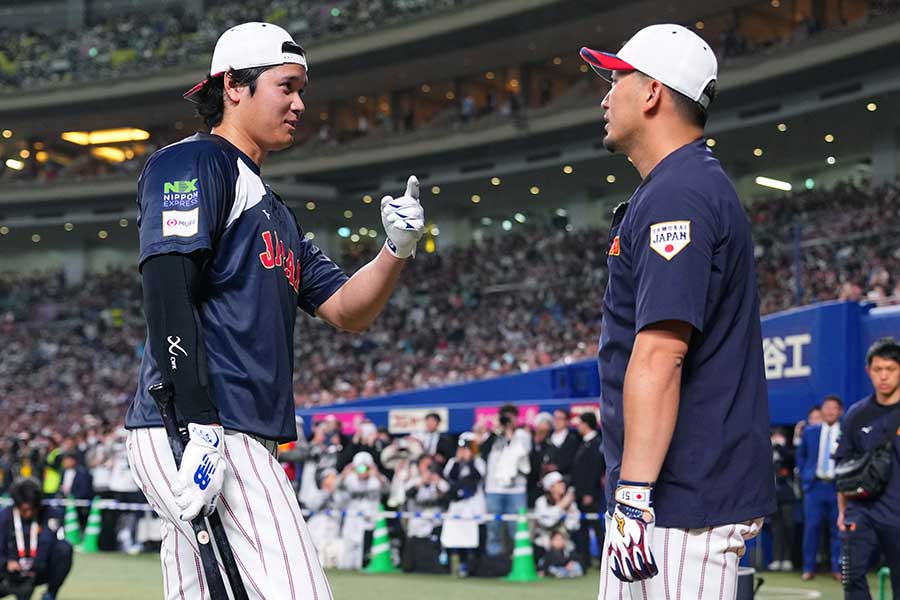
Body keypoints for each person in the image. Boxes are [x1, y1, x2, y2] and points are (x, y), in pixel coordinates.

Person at [124, 22, 425, 599]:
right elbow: (166, 287)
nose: (299, 103)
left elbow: (346, 310)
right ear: (233, 86)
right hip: (204, 425)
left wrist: (396, 250)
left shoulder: (274, 210)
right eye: (286, 86)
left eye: (301, 89)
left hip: (229, 430)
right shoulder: (192, 163)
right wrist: (200, 424)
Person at [580, 23, 775, 598]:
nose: (604, 95)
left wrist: (635, 496)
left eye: (616, 78)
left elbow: (662, 352)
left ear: (652, 93)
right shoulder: (677, 186)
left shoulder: (678, 193)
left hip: (680, 503)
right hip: (672, 499)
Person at [835, 338, 900, 599]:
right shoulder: (855, 414)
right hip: (861, 512)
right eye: (877, 369)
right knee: (851, 577)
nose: (883, 376)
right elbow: (843, 467)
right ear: (868, 371)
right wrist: (842, 512)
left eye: (891, 369)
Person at [0, 479, 72, 600]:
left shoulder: (51, 515)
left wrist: (35, 565)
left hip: (37, 569)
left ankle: (50, 594)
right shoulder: (4, 517)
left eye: (32, 509)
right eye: (24, 510)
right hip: (8, 572)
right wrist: (7, 562)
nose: (28, 513)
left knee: (64, 548)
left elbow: (47, 541)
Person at [796, 395, 843, 580]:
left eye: (834, 408)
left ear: (840, 412)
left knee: (838, 529)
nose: (830, 411)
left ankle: (837, 568)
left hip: (837, 487)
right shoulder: (810, 431)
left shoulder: (846, 432)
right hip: (814, 487)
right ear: (821, 410)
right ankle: (808, 568)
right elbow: (801, 456)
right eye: (827, 407)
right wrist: (806, 475)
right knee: (811, 529)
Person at [481, 404, 532, 558]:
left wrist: (510, 435)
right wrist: (496, 431)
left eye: (511, 417)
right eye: (505, 417)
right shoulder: (493, 435)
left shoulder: (523, 435)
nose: (508, 421)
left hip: (516, 489)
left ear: (516, 419)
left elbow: (524, 453)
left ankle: (518, 559)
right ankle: (494, 561)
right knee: (493, 526)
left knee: (516, 527)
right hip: (494, 489)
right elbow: (483, 452)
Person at [441, 433, 486, 578]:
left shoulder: (478, 461)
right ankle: (462, 564)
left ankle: (476, 566)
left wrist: (470, 461)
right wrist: (458, 461)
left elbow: (479, 476)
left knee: (475, 536)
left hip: (474, 504)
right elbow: (450, 477)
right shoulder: (453, 462)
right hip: (458, 505)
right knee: (459, 535)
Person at [570, 412, 604, 569]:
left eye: (580, 423)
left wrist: (589, 493)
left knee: (597, 527)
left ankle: (603, 559)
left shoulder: (596, 444)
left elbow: (595, 471)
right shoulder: (584, 443)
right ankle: (586, 560)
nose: (578, 426)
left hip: (590, 494)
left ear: (587, 424)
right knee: (583, 527)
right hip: (581, 493)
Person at [533, 471, 580, 567]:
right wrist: (562, 506)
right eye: (559, 483)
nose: (563, 485)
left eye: (563, 482)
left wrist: (569, 509)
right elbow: (547, 522)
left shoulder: (570, 503)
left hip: (565, 545)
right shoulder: (541, 502)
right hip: (544, 544)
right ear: (550, 487)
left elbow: (573, 526)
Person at [549, 408, 580, 476]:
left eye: (560, 418)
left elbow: (573, 461)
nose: (556, 421)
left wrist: (557, 467)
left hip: (566, 477)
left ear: (567, 421)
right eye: (555, 418)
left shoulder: (573, 440)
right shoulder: (548, 437)